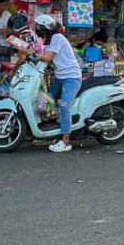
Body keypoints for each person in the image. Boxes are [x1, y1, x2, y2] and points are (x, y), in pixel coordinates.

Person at [33, 14, 81, 153]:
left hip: (71, 78)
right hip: (59, 77)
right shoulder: (48, 40)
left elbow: (47, 58)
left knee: (65, 106)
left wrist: (32, 54)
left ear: (45, 28)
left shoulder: (57, 38)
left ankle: (66, 141)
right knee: (47, 103)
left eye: (38, 27)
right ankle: (51, 134)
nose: (37, 30)